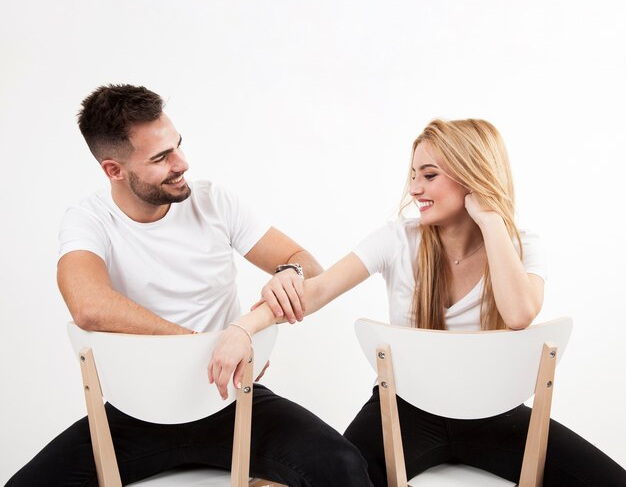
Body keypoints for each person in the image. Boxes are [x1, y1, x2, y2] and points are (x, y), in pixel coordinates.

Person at [209, 118, 626, 486]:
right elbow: (315, 291)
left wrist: (492, 219)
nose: (414, 189)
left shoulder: (522, 246)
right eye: (412, 175)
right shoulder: (397, 239)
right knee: (331, 474)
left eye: (429, 175)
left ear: (472, 176)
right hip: (403, 412)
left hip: (496, 412)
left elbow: (519, 314)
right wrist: (243, 327)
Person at [6, 84, 372, 487]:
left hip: (231, 403)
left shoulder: (214, 202)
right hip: (134, 415)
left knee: (344, 466)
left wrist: (289, 274)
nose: (182, 163)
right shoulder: (88, 220)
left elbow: (309, 268)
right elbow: (88, 305)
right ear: (114, 170)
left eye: (177, 145)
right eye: (161, 157)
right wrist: (206, 349)